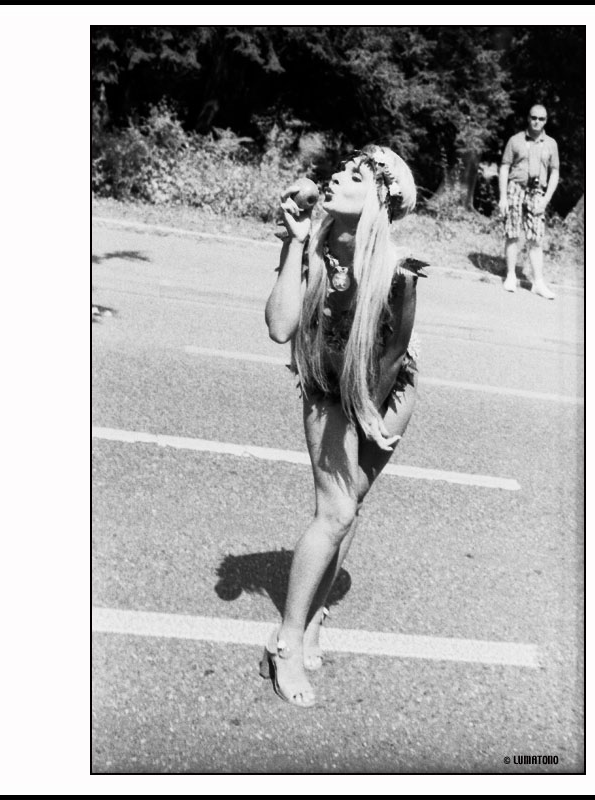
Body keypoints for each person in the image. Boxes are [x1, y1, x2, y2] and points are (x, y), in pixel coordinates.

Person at [262, 145, 424, 708]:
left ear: (378, 199)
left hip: (387, 389)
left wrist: (370, 414)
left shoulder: (397, 270)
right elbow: (280, 327)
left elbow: (393, 353)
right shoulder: (315, 242)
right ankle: (285, 642)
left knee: (351, 503)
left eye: (354, 175)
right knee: (335, 512)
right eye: (341, 169)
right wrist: (295, 243)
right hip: (328, 386)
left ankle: (312, 621)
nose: (336, 175)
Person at [498, 104, 560, 299]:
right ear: (528, 118)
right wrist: (503, 197)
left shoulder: (551, 144)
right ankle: (510, 276)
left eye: (541, 119)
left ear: (546, 121)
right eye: (534, 117)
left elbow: (555, 172)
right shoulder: (515, 140)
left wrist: (546, 199)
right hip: (516, 189)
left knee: (536, 238)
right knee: (512, 234)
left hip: (537, 193)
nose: (536, 122)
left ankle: (538, 283)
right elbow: (504, 167)